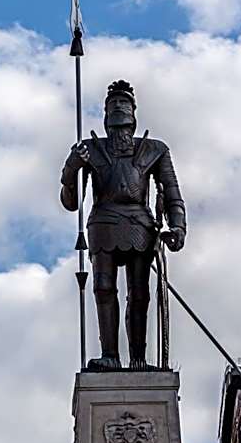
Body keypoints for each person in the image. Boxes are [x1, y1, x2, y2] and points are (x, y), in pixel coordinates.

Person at [60, 80, 186, 370]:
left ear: (133, 111)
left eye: (124, 103)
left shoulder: (154, 149)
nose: (118, 107)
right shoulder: (89, 149)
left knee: (139, 292)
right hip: (103, 221)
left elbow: (171, 192)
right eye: (113, 104)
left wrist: (178, 226)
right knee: (103, 288)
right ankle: (110, 355)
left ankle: (139, 358)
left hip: (140, 222)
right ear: (105, 114)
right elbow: (71, 201)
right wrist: (72, 167)